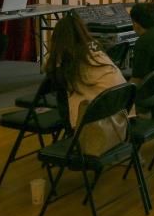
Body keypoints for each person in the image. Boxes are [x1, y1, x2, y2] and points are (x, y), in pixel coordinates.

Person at [44, 14, 130, 155]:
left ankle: (71, 135)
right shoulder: (97, 51)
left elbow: (51, 73)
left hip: (96, 118)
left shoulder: (68, 60)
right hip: (120, 114)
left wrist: (54, 57)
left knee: (62, 93)